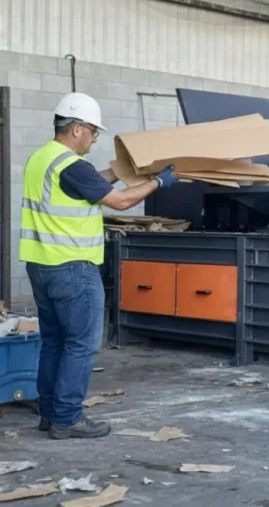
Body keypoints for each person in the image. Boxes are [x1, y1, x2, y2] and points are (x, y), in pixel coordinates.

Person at [19, 92, 179, 440]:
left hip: (42, 266)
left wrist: (125, 171)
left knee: (54, 342)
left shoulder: (42, 158)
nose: (94, 139)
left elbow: (90, 183)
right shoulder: (71, 165)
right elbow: (120, 203)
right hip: (73, 268)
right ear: (77, 129)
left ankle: (50, 414)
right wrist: (157, 183)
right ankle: (67, 418)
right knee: (81, 344)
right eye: (93, 132)